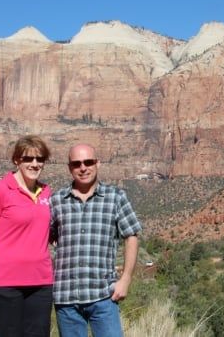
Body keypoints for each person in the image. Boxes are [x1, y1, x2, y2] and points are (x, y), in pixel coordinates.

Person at [50, 143, 142, 337]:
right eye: (77, 164)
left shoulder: (116, 197)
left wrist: (125, 279)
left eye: (88, 162)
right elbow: (39, 236)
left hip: (104, 296)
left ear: (97, 163)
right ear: (69, 168)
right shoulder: (57, 200)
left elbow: (131, 236)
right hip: (67, 298)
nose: (83, 168)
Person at [0, 135, 54, 337]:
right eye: (28, 158)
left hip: (40, 284)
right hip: (3, 284)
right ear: (17, 160)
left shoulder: (47, 193)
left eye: (39, 159)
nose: (34, 164)